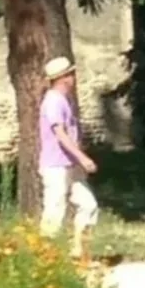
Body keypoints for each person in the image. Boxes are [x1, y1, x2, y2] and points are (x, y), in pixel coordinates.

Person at [38, 56, 100, 260]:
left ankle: (79, 251)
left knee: (88, 205)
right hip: (55, 166)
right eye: (71, 73)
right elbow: (60, 134)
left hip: (68, 164)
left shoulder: (63, 100)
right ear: (64, 78)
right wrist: (83, 158)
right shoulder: (54, 101)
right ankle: (45, 259)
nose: (74, 77)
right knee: (54, 211)